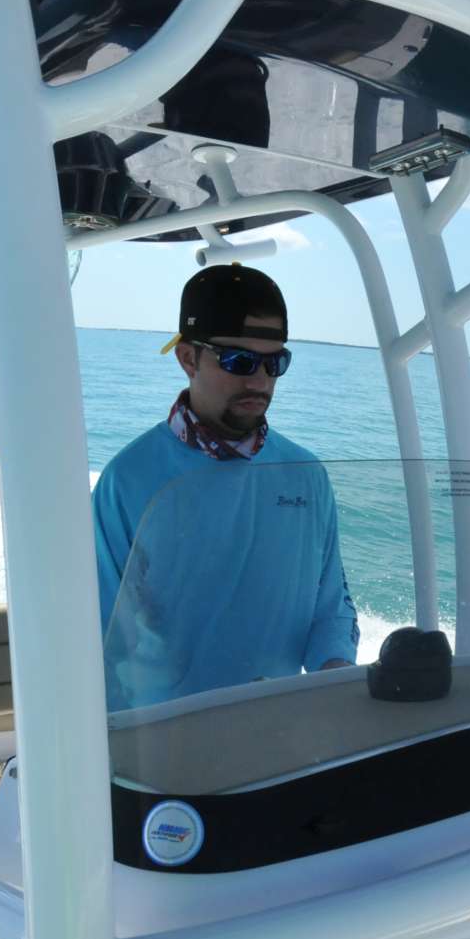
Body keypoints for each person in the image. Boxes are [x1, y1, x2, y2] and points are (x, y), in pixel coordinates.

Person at [92, 263, 358, 704]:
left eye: (275, 362)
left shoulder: (307, 475)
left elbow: (330, 606)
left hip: (278, 731)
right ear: (187, 358)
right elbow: (99, 633)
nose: (259, 380)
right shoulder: (128, 480)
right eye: (239, 360)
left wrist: (336, 673)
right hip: (163, 740)